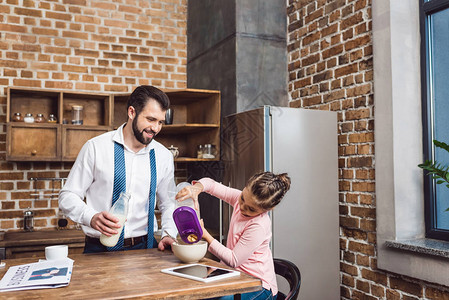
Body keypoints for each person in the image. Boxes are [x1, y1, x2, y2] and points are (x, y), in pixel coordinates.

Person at [59, 85, 177, 253]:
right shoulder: (95, 148)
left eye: (160, 122)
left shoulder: (163, 156)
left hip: (146, 250)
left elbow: (168, 203)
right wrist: (90, 217)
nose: (156, 128)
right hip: (98, 250)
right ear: (131, 112)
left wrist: (169, 234)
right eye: (150, 120)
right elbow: (67, 196)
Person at [176, 171, 291, 300]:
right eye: (242, 198)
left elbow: (234, 260)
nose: (242, 207)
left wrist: (205, 235)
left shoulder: (258, 225)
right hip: (234, 275)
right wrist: (197, 188)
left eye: (251, 209)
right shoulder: (240, 200)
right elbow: (212, 185)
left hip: (259, 285)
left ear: (267, 209)